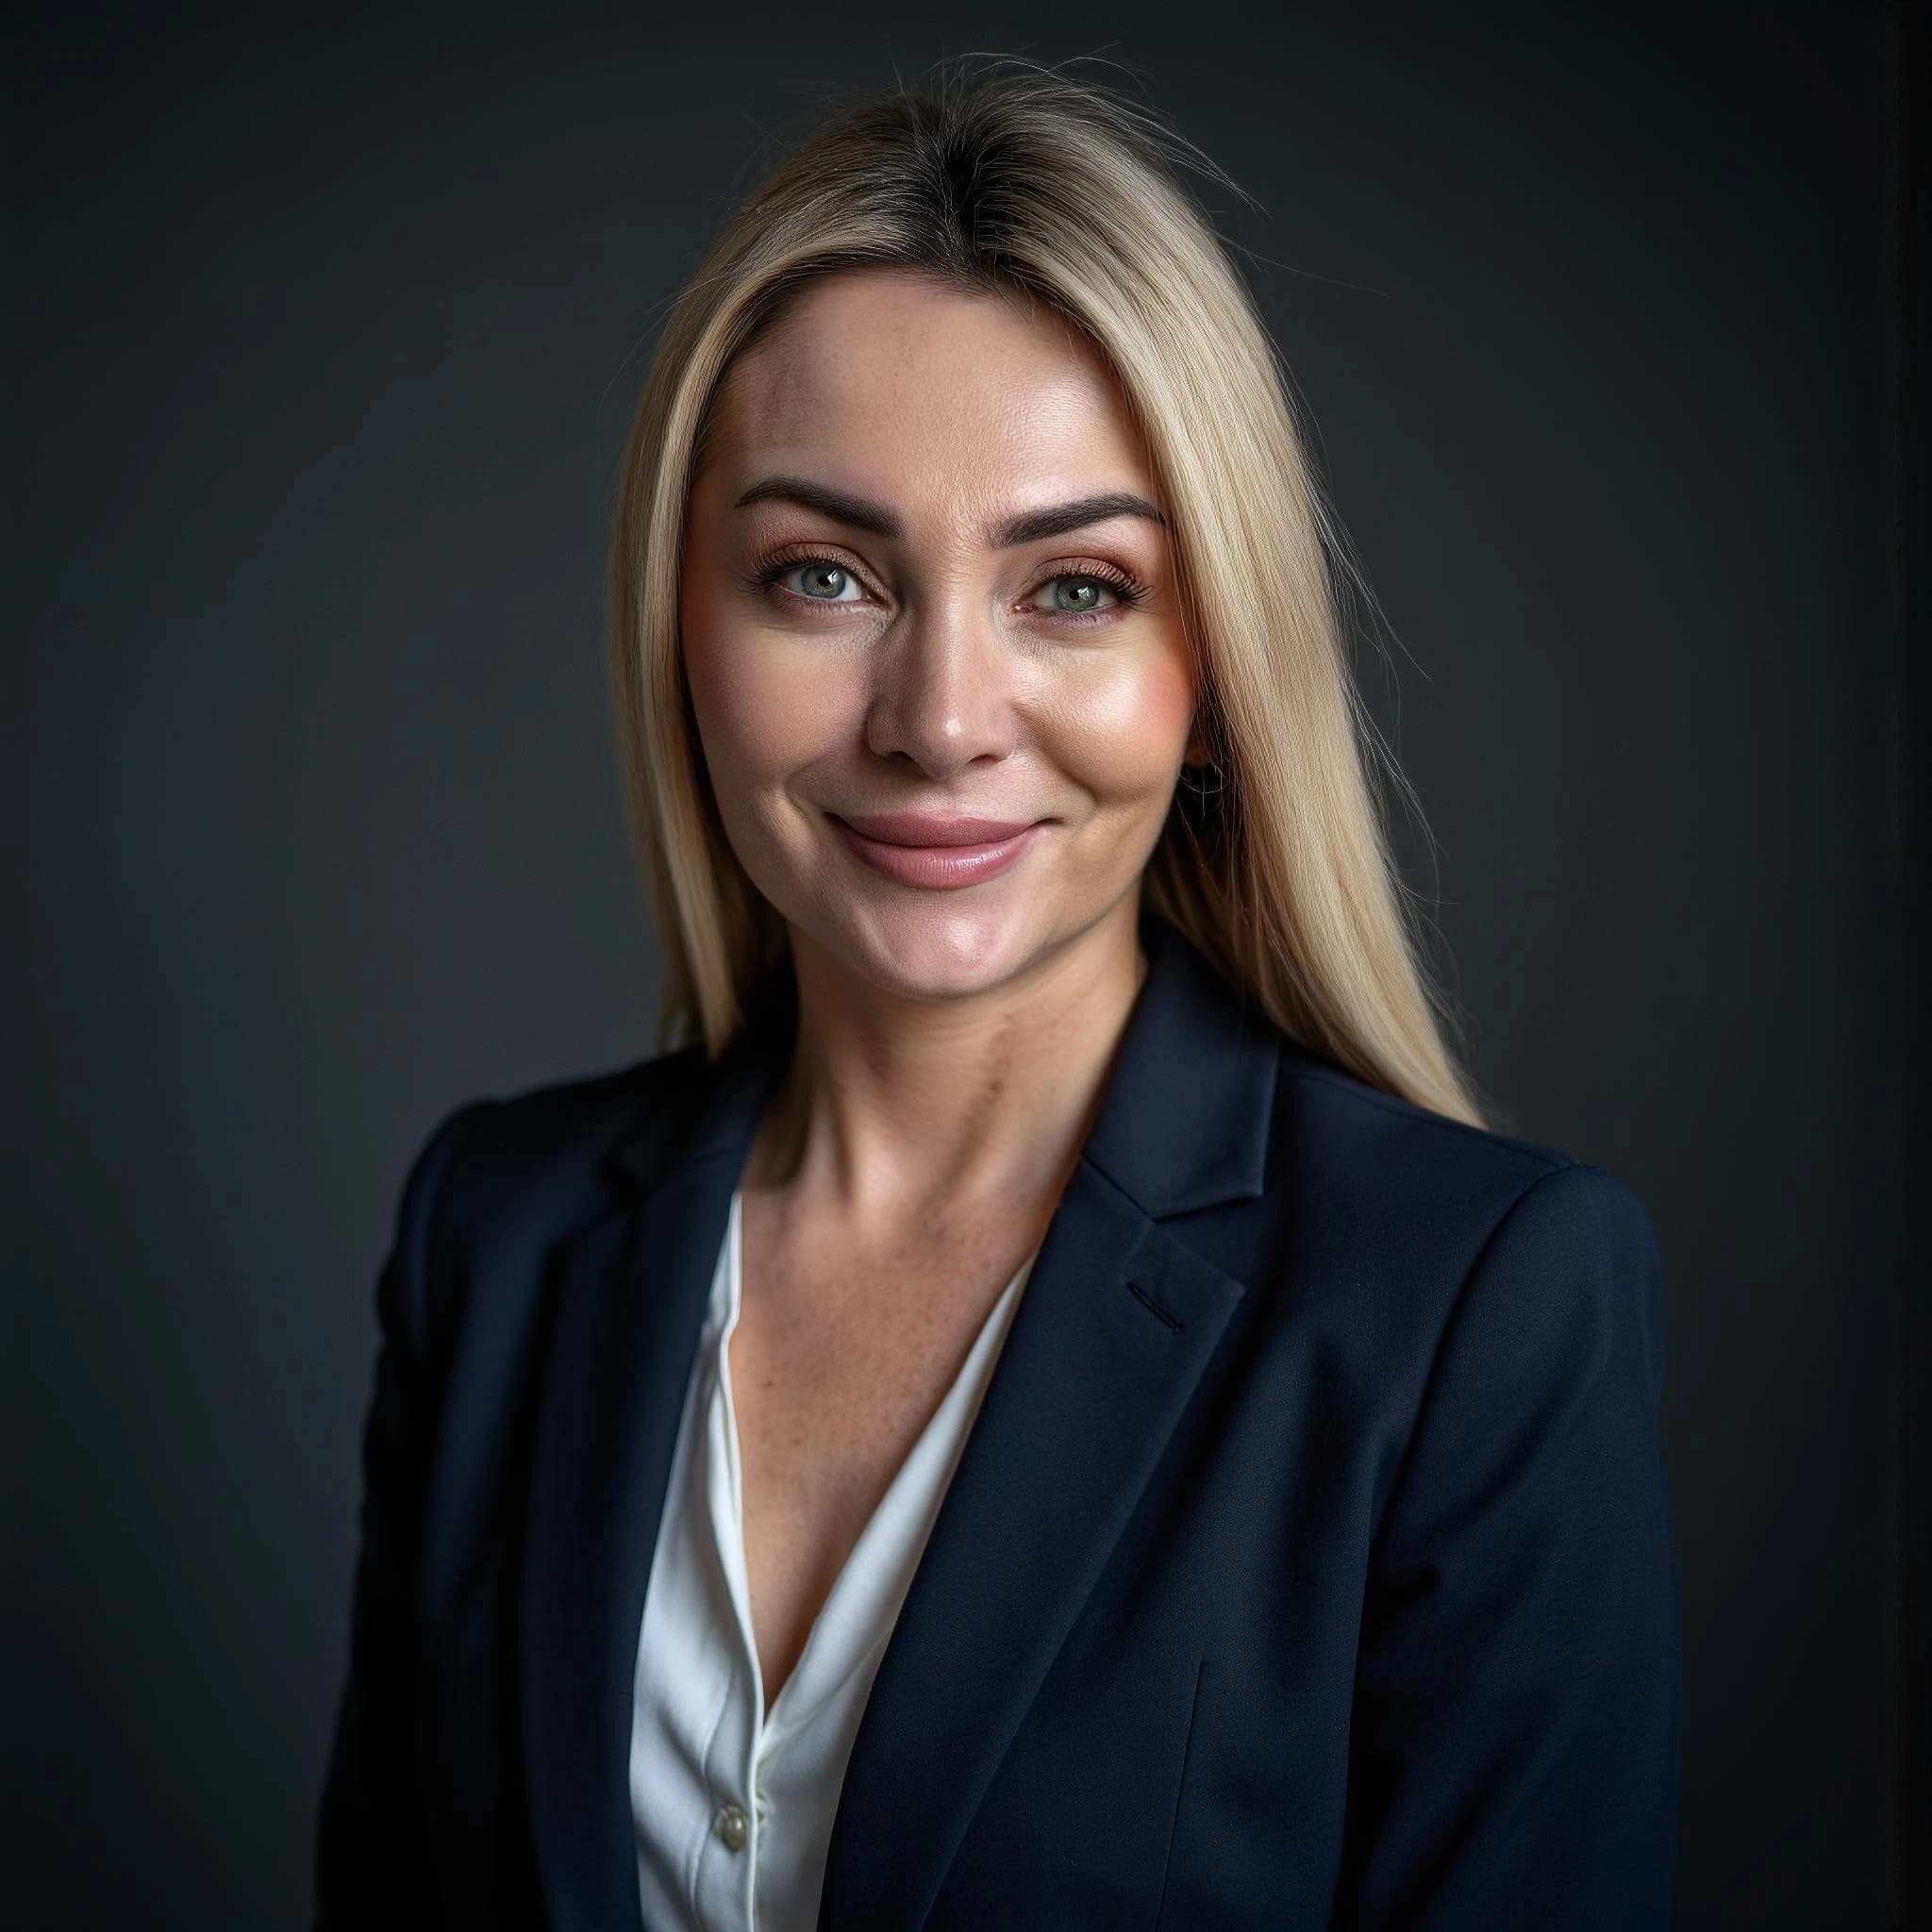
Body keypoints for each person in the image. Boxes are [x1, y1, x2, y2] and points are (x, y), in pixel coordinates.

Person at [315, 53, 1680, 1932]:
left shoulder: (1472, 1308)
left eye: (1077, 589)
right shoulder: (497, 1240)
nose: (942, 720)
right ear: (680, 628)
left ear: (1216, 669)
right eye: (822, 575)